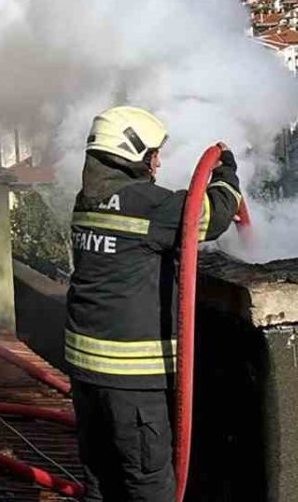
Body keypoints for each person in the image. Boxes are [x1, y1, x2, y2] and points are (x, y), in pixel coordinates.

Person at [65, 106, 244, 502]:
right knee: (149, 485)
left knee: (102, 483)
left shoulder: (86, 200)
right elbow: (213, 216)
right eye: (153, 154)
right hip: (133, 380)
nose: (158, 163)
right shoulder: (147, 204)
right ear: (130, 154)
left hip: (86, 374)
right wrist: (227, 172)